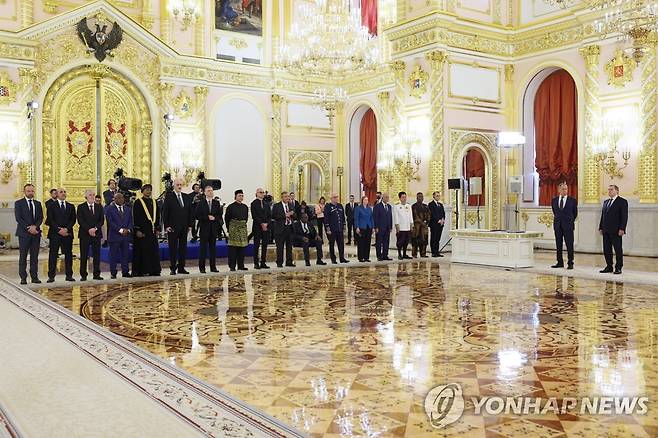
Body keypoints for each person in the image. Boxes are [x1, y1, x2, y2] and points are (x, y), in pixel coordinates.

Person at [162, 178, 192, 275]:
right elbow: (165, 212)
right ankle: (173, 268)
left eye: (180, 185)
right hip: (173, 227)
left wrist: (190, 225)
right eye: (177, 185)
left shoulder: (186, 197)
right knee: (173, 248)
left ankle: (181, 267)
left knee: (183, 248)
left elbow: (189, 212)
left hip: (184, 227)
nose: (179, 186)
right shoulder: (169, 197)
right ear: (174, 186)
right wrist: (167, 226)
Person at [14, 184, 43, 284]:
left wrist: (35, 227)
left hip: (36, 233)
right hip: (24, 233)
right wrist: (29, 227)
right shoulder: (19, 203)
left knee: (34, 256)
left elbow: (40, 218)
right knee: (23, 256)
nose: (30, 193)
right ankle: (23, 277)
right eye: (28, 191)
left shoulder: (38, 204)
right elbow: (19, 218)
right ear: (24, 192)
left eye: (32, 191)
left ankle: (34, 277)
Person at [45, 188, 76, 282]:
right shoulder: (51, 205)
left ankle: (69, 275)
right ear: (56, 194)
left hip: (67, 233)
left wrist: (66, 229)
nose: (63, 193)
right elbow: (50, 219)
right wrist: (59, 229)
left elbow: (73, 219)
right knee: (53, 255)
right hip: (55, 233)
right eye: (61, 192)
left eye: (64, 192)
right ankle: (51, 276)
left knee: (68, 255)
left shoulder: (71, 206)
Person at [132, 184, 161, 277]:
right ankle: (142, 270)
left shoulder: (154, 202)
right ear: (142, 191)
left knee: (153, 251)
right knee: (142, 251)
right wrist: (137, 230)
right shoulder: (138, 202)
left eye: (150, 190)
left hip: (152, 231)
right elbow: (136, 217)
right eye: (147, 189)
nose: (149, 191)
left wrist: (157, 228)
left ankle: (154, 269)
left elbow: (158, 216)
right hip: (142, 231)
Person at [599, 184, 628, 274]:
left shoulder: (622, 201)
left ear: (617, 191)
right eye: (608, 190)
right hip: (606, 230)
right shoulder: (606, 202)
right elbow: (603, 216)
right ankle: (609, 266)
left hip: (616, 230)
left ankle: (618, 267)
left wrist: (622, 228)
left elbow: (624, 216)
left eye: (611, 189)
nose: (609, 191)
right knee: (606, 249)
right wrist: (601, 227)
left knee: (618, 249)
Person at [77, 189, 104, 281]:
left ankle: (96, 274)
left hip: (96, 234)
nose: (92, 196)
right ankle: (83, 275)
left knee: (97, 255)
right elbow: (80, 220)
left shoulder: (99, 207)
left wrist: (95, 229)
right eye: (90, 195)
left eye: (93, 195)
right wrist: (89, 229)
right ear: (86, 197)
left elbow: (101, 221)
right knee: (84, 255)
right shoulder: (81, 207)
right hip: (85, 234)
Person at [105, 193, 132, 279]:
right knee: (113, 255)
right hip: (115, 236)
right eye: (118, 198)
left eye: (122, 198)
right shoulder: (109, 209)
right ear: (114, 199)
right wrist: (120, 230)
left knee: (125, 255)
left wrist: (128, 230)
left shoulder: (128, 209)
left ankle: (125, 271)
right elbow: (110, 222)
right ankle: (113, 272)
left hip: (126, 236)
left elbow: (131, 221)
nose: (121, 199)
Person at [551, 182, 578, 270]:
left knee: (569, 244)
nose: (565, 191)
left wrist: (569, 221)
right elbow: (555, 212)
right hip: (558, 225)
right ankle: (559, 262)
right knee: (558, 244)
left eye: (566, 189)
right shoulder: (554, 200)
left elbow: (575, 213)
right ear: (559, 190)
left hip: (568, 226)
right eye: (563, 189)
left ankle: (570, 262)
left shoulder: (572, 200)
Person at [195, 185, 222, 273]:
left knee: (213, 249)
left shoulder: (216, 203)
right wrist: (207, 217)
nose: (211, 192)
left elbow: (219, 215)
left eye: (211, 190)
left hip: (213, 229)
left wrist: (214, 218)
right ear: (205, 193)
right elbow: (197, 215)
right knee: (203, 249)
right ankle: (202, 267)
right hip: (204, 229)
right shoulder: (201, 203)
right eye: (209, 191)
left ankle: (213, 267)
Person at [225, 189, 249, 271]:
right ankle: (232, 266)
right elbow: (227, 218)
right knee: (233, 249)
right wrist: (229, 229)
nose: (241, 197)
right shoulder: (230, 207)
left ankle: (241, 265)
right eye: (239, 196)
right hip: (233, 229)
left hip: (242, 229)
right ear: (235, 197)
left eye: (242, 196)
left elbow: (246, 218)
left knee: (242, 248)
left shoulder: (245, 207)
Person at [324, 193, 349, 264]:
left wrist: (344, 227)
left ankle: (342, 258)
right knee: (332, 244)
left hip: (339, 229)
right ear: (331, 198)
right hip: (332, 229)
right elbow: (326, 218)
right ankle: (333, 258)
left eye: (337, 197)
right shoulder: (328, 206)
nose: (336, 198)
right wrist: (327, 228)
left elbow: (343, 217)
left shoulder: (340, 206)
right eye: (334, 197)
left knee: (341, 244)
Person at [272, 191, 295, 267]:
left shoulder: (291, 205)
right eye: (285, 196)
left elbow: (295, 215)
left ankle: (289, 262)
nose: (287, 198)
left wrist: (293, 214)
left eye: (288, 196)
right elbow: (274, 216)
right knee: (280, 247)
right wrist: (284, 215)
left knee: (289, 246)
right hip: (280, 228)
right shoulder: (276, 206)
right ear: (282, 198)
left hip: (289, 227)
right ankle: (279, 262)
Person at [251, 188, 271, 269]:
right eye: (260, 192)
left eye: (263, 192)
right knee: (256, 245)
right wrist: (262, 223)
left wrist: (266, 224)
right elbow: (254, 216)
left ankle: (263, 262)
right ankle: (256, 263)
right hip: (257, 227)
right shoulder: (253, 203)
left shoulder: (266, 204)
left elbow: (270, 215)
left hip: (266, 227)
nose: (262, 194)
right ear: (256, 193)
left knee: (265, 245)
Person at [393, 191, 413, 260]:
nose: (404, 198)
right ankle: (399, 253)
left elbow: (410, 216)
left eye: (405, 197)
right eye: (403, 197)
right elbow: (396, 217)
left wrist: (411, 224)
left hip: (407, 227)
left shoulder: (408, 206)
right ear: (400, 198)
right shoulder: (397, 206)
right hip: (401, 227)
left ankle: (404, 254)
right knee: (400, 241)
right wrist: (397, 226)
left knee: (406, 241)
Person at [373, 193, 393, 261]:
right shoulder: (377, 206)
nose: (387, 199)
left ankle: (385, 255)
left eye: (388, 197)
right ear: (382, 198)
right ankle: (379, 256)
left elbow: (390, 217)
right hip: (380, 227)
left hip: (387, 227)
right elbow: (375, 217)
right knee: (379, 242)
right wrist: (376, 227)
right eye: (386, 197)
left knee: (386, 242)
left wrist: (390, 226)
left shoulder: (389, 206)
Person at [354, 196, 374, 262]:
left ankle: (366, 257)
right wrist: (357, 227)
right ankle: (361, 257)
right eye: (365, 200)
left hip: (368, 227)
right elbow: (356, 218)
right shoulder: (358, 208)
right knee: (361, 243)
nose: (366, 201)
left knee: (367, 243)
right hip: (361, 227)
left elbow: (371, 218)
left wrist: (373, 227)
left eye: (367, 200)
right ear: (362, 201)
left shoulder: (369, 208)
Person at [411, 192, 430, 258]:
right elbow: (414, 215)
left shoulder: (425, 206)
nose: (421, 198)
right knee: (415, 240)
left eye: (422, 197)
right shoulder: (414, 206)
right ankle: (414, 254)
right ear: (416, 198)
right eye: (419, 197)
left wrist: (427, 222)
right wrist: (420, 222)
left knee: (424, 240)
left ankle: (423, 253)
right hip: (417, 226)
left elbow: (428, 215)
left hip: (424, 226)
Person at [429, 191, 446, 257]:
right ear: (433, 196)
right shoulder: (431, 204)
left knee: (438, 239)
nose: (438, 197)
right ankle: (433, 252)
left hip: (440, 224)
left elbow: (443, 213)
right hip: (434, 224)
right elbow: (432, 214)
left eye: (439, 196)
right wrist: (438, 220)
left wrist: (443, 219)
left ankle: (437, 252)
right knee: (433, 238)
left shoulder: (440, 204)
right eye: (437, 196)